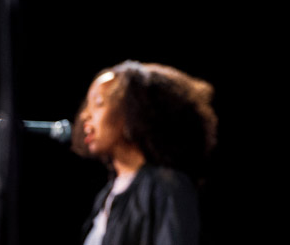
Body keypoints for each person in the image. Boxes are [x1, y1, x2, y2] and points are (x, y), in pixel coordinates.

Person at [72, 60, 218, 245]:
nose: (86, 115)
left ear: (133, 111)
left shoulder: (166, 187)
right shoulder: (107, 195)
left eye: (99, 103)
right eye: (87, 105)